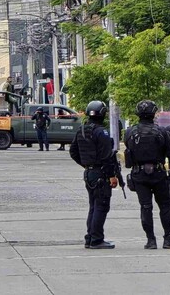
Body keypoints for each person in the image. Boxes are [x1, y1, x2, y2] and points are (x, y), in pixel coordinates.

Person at [124, 100, 170, 249]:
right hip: (158, 174)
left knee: (145, 207)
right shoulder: (162, 132)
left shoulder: (130, 132)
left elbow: (128, 150)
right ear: (154, 114)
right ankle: (168, 239)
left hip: (139, 174)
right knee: (164, 206)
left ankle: (151, 240)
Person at [69, 101, 118, 249]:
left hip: (89, 173)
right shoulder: (101, 132)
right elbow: (107, 157)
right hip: (100, 173)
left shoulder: (82, 130)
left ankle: (90, 237)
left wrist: (86, 164)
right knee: (101, 206)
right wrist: (112, 176)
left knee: (93, 206)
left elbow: (73, 152)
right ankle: (96, 239)